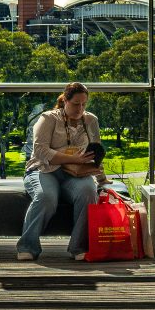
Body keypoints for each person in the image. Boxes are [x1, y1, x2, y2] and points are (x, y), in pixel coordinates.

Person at [16, 82, 104, 262]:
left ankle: (78, 246)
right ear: (65, 100)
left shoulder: (91, 120)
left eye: (84, 104)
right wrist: (74, 159)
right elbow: (41, 151)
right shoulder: (48, 118)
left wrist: (101, 179)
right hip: (44, 170)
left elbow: (95, 151)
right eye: (76, 104)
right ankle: (27, 246)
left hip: (76, 173)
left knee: (88, 192)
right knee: (46, 197)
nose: (80, 108)